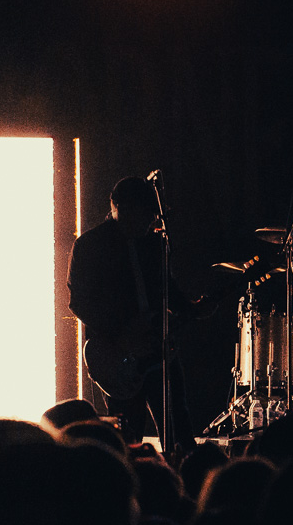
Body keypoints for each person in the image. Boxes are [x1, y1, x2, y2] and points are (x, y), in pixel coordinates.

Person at [67, 176, 210, 450]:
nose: (148, 220)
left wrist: (192, 308)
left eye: (152, 213)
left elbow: (168, 291)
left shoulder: (155, 245)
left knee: (180, 436)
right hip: (118, 355)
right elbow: (80, 302)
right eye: (141, 213)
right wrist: (121, 335)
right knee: (127, 440)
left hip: (159, 353)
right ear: (116, 207)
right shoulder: (89, 246)